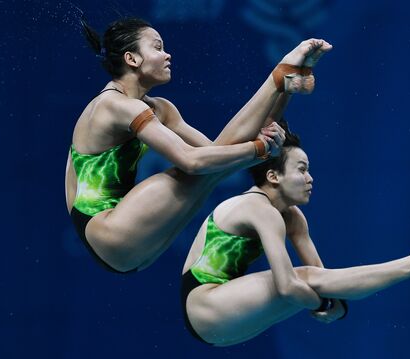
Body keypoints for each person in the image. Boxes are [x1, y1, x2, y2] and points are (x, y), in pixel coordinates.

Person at [64, 16, 334, 273]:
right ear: (131, 58)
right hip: (108, 232)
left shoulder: (160, 108)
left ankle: (282, 81)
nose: (168, 55)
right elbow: (192, 161)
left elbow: (218, 153)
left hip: (131, 248)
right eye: (158, 47)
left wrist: (281, 101)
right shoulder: (114, 105)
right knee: (202, 170)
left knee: (218, 165)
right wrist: (260, 149)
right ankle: (279, 76)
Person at [180, 122, 410, 346]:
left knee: (308, 280)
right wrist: (324, 305)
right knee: (301, 280)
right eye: (302, 170)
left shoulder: (292, 217)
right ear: (273, 176)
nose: (310, 178)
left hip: (225, 324)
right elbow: (288, 286)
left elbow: (325, 277)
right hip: (205, 306)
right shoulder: (259, 208)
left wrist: (337, 306)